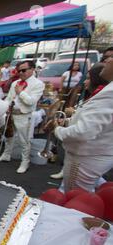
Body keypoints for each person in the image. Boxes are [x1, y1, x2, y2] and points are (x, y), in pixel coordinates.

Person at [45, 55, 113, 192]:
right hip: (92, 155)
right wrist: (68, 122)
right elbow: (96, 123)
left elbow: (83, 132)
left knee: (74, 196)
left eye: (110, 59)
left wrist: (58, 129)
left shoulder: (109, 93)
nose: (107, 61)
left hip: (86, 156)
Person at [0, 60, 45, 174]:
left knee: (24, 140)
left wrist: (20, 92)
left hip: (24, 115)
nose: (21, 73)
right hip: (11, 113)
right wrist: (5, 107)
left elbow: (31, 102)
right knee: (9, 136)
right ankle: (6, 155)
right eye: (19, 70)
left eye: (24, 70)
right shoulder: (15, 82)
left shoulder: (38, 84)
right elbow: (9, 98)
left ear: (32, 69)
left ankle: (25, 162)